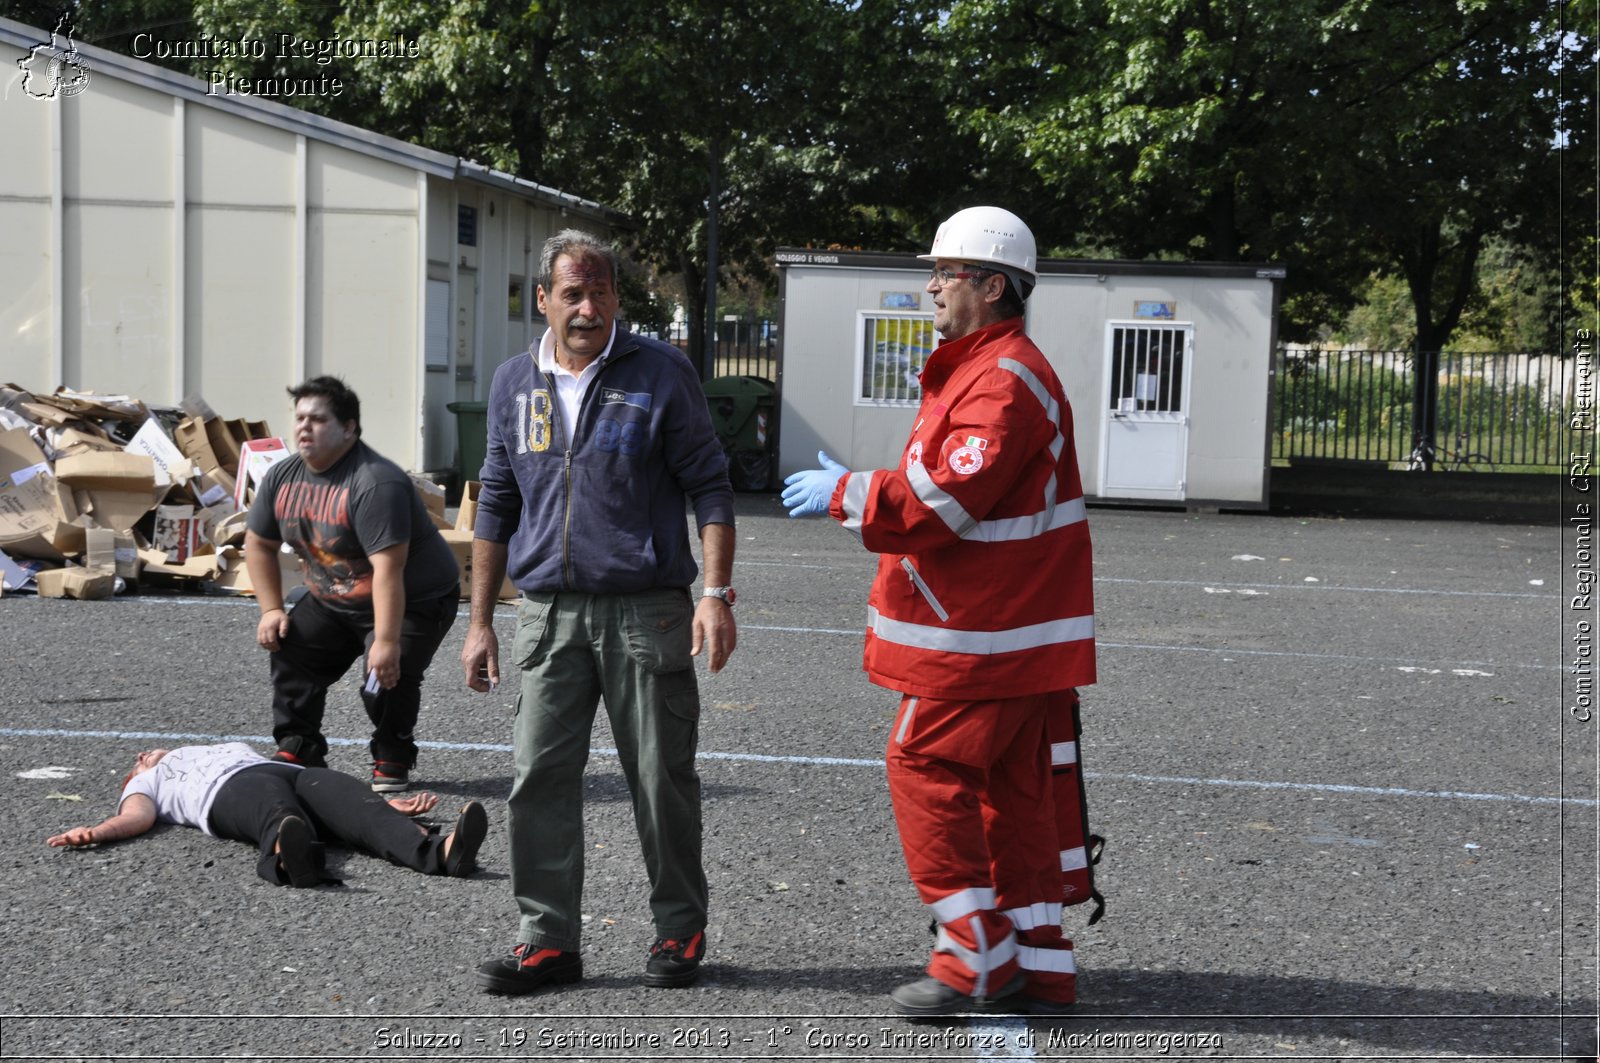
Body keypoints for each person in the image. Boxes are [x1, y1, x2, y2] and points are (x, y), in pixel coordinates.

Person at [782, 206, 1097, 1016]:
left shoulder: (1000, 379)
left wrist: (846, 491)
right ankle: (1037, 956)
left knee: (922, 765)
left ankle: (975, 951)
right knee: (1015, 790)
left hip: (983, 636)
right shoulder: (987, 369)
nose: (929, 286)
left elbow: (941, 502)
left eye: (945, 273)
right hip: (1009, 632)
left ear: (990, 286)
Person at [461, 229, 737, 996]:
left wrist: (713, 595)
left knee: (662, 779)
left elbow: (711, 487)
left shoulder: (660, 373)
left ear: (618, 296)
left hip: (646, 613)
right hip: (546, 613)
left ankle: (679, 928)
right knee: (539, 778)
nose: (589, 308)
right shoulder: (514, 381)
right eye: (573, 294)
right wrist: (481, 620)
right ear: (543, 299)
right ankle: (547, 940)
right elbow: (496, 502)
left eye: (602, 291)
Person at [245, 376, 461, 793]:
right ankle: (299, 744)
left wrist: (385, 640)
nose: (305, 427)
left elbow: (388, 571)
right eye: (300, 418)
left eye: (319, 419)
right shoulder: (282, 477)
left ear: (349, 428)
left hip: (413, 598)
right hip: (336, 596)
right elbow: (258, 544)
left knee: (383, 676)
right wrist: (271, 609)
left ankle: (392, 755)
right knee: (292, 649)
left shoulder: (375, 482)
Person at [45, 742, 487, 886]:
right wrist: (99, 831)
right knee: (275, 811)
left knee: (347, 796)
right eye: (137, 760)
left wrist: (376, 804)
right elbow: (138, 815)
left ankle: (441, 852)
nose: (142, 755)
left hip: (286, 772)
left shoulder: (212, 746)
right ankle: (290, 859)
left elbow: (340, 801)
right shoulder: (149, 781)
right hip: (229, 791)